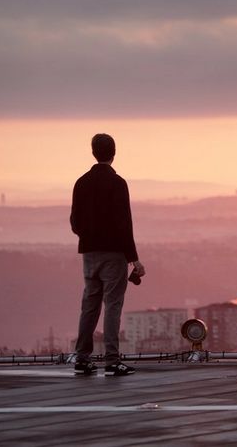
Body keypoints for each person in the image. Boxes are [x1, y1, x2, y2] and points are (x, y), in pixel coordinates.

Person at [70, 133, 145, 376]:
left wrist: (88, 237)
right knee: (113, 305)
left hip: (89, 253)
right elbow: (124, 224)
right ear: (114, 153)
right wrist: (134, 258)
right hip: (114, 254)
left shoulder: (81, 183)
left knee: (89, 305)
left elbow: (74, 222)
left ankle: (82, 358)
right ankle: (112, 361)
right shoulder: (118, 183)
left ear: (93, 152)